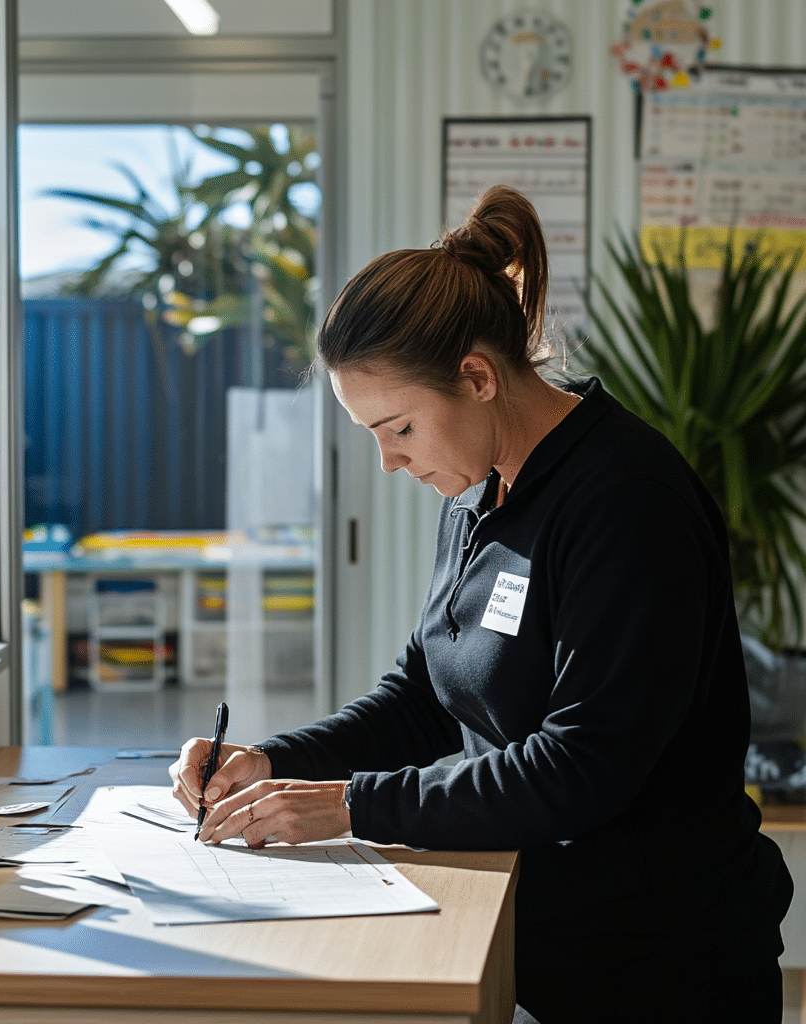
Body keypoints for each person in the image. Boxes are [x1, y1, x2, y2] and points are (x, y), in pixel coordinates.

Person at [170, 185, 793, 1023]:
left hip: (653, 960)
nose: (390, 463)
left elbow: (582, 768)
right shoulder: (479, 491)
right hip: (522, 931)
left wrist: (352, 803)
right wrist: (274, 764)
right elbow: (423, 696)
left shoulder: (627, 501)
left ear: (477, 376)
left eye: (399, 429)